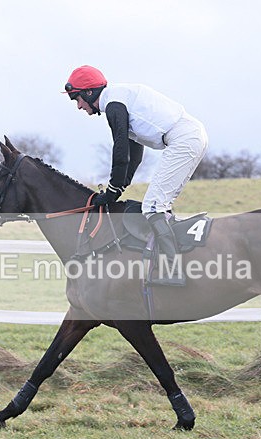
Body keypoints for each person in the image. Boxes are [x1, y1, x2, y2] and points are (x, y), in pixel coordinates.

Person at [63, 65, 208, 286]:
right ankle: (171, 260)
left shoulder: (114, 105)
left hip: (183, 139)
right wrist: (119, 188)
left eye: (77, 99)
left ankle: (174, 271)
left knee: (152, 206)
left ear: (89, 93)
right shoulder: (119, 99)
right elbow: (134, 155)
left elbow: (120, 150)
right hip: (188, 136)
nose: (79, 106)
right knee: (158, 205)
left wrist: (112, 189)